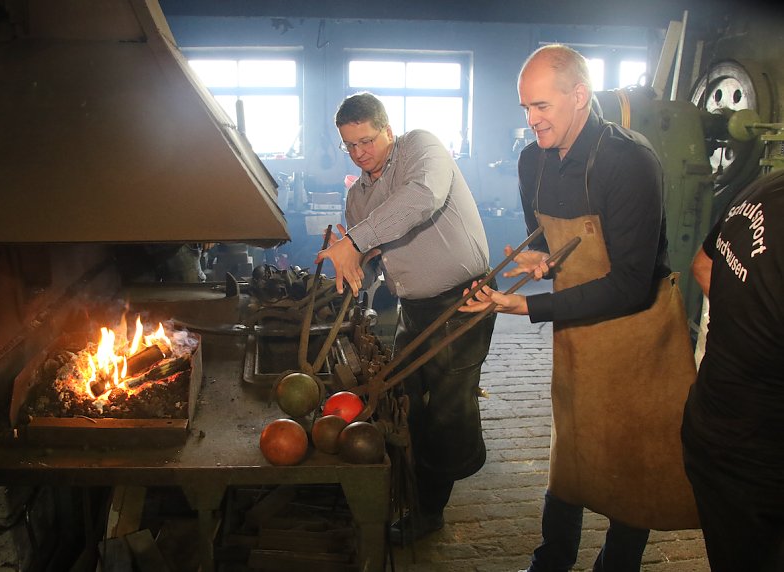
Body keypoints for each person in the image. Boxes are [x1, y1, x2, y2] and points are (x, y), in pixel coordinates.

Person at [460, 45, 698, 571]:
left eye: (542, 106)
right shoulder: (532, 162)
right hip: (579, 326)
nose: (532, 119)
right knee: (569, 448)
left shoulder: (629, 162)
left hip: (637, 330)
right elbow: (548, 237)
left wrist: (529, 306)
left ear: (579, 96)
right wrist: (537, 256)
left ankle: (618, 565)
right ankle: (552, 559)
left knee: (630, 457)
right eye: (525, 108)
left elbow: (633, 284)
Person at [315, 92, 494, 544]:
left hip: (463, 301)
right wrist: (351, 266)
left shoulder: (420, 147)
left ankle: (431, 512)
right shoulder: (357, 196)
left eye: (367, 141)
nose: (360, 153)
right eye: (349, 145)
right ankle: (415, 493)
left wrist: (355, 242)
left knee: (446, 410)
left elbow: (422, 197)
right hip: (413, 309)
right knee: (409, 403)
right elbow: (371, 257)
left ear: (388, 130)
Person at [681, 169, 784, 572]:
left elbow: (703, 265)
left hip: (713, 432)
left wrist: (746, 327)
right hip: (761, 461)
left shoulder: (767, 186)